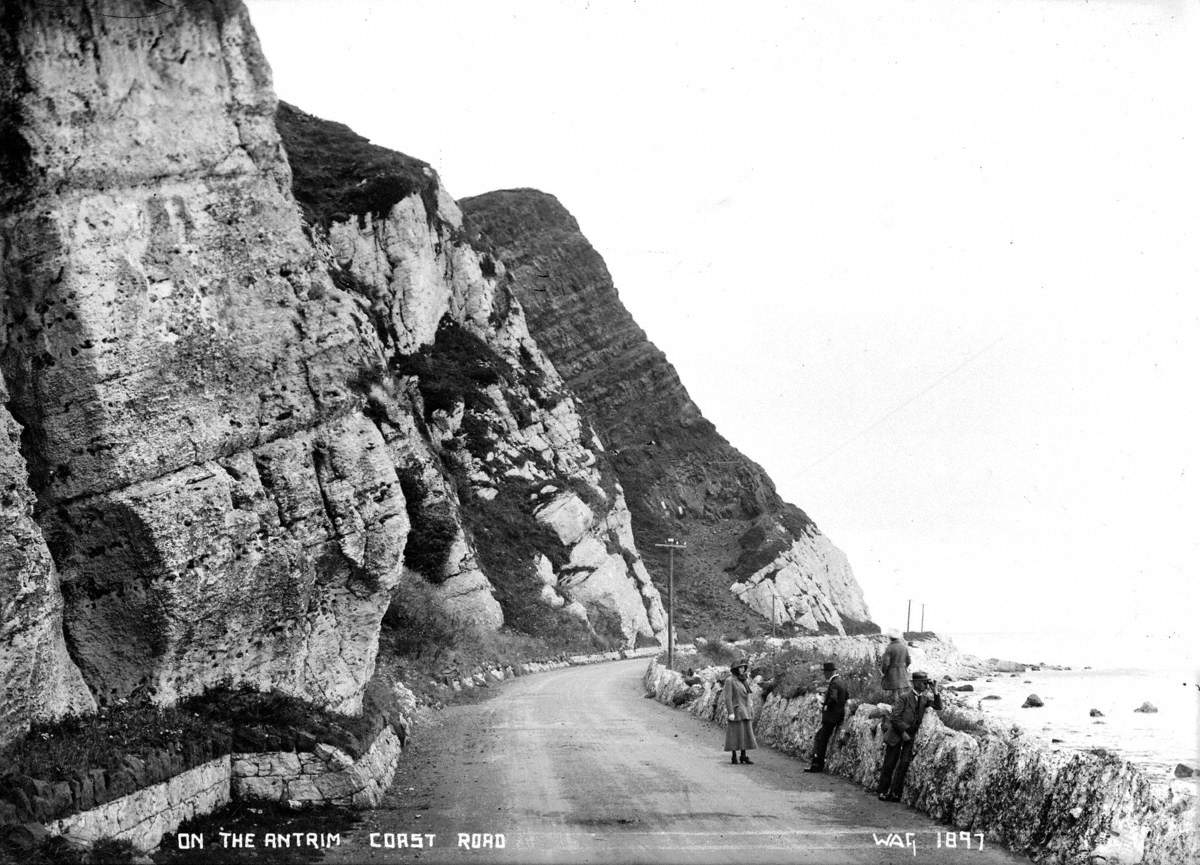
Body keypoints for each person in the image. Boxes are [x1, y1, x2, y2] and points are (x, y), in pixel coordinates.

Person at [876, 670, 942, 801]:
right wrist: (903, 732)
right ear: (916, 683)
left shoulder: (924, 699)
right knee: (890, 763)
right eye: (923, 683)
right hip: (897, 734)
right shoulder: (904, 697)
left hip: (910, 738)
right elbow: (895, 717)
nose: (925, 685)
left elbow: (938, 706)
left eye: (926, 683)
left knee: (903, 765)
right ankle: (882, 791)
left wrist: (935, 691)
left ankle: (895, 793)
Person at [806, 661, 848, 773]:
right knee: (821, 737)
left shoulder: (834, 683)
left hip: (831, 717)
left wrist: (826, 706)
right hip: (838, 716)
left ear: (829, 672)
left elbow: (833, 698)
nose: (824, 674)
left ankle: (817, 765)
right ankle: (818, 764)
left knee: (820, 738)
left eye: (825, 672)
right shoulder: (841, 682)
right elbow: (846, 696)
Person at [722, 656, 758, 765]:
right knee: (734, 734)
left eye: (743, 667)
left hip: (745, 710)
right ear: (735, 669)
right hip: (737, 711)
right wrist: (730, 712)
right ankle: (734, 756)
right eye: (740, 667)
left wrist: (750, 706)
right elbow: (728, 697)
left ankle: (743, 755)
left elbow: (747, 695)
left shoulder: (743, 680)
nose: (742, 669)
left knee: (745, 734)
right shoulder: (730, 680)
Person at [880, 630, 911, 701]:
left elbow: (886, 663)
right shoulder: (904, 647)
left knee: (895, 692)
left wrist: (884, 671)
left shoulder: (889, 648)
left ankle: (897, 707)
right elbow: (909, 661)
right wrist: (904, 668)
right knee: (902, 691)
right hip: (902, 671)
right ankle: (903, 707)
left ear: (890, 638)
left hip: (892, 672)